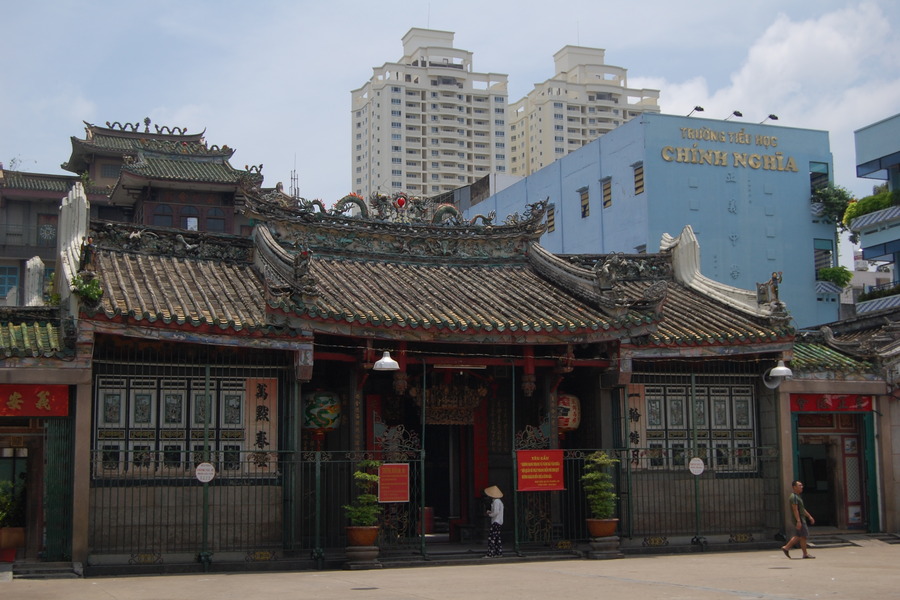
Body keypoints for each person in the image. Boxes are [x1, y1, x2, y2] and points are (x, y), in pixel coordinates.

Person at [781, 480, 815, 559]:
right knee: (800, 536)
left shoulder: (798, 496)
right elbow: (795, 509)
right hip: (799, 519)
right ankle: (787, 547)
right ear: (794, 487)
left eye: (801, 485)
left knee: (802, 536)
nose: (801, 487)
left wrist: (809, 516)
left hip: (801, 518)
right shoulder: (794, 497)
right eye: (799, 485)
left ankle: (804, 553)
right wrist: (798, 521)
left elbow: (802, 509)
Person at [484, 485, 504, 558]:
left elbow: (496, 512)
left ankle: (491, 553)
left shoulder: (496, 502)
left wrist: (490, 514)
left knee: (492, 537)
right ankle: (498, 552)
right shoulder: (499, 501)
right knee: (497, 538)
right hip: (499, 521)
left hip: (496, 521)